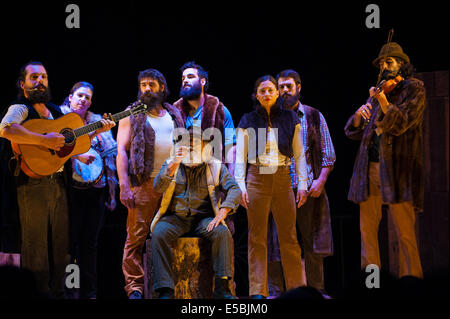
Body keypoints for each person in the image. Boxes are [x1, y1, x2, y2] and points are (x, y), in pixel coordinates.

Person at [0, 61, 114, 298]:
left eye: (43, 77)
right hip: (32, 184)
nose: (40, 81)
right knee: (36, 246)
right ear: (23, 84)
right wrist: (43, 141)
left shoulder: (55, 111)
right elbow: (6, 129)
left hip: (59, 184)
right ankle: (36, 293)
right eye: (34, 77)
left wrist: (97, 131)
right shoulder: (20, 108)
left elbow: (70, 143)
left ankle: (59, 293)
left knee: (61, 244)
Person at [344, 42, 425, 279]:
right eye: (381, 63)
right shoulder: (380, 90)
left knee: (405, 233)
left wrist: (382, 101)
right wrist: (358, 117)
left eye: (388, 62)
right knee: (367, 231)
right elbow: (354, 132)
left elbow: (401, 124)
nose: (384, 66)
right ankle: (371, 285)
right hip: (369, 169)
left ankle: (411, 282)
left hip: (397, 169)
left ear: (401, 64)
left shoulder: (414, 88)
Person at [235, 75, 308, 299]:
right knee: (257, 237)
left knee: (289, 237)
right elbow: (240, 156)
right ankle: (258, 291)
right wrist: (240, 186)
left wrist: (303, 184)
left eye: (270, 90)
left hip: (283, 177)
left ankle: (297, 288)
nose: (267, 94)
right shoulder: (247, 119)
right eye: (262, 91)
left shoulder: (290, 117)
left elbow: (299, 153)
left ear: (277, 93)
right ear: (256, 95)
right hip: (257, 177)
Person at [150, 126, 241, 299]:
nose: (191, 146)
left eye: (196, 142)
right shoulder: (172, 163)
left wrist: (223, 211)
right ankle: (165, 290)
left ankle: (222, 288)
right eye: (187, 142)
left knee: (222, 233)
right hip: (176, 218)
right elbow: (157, 186)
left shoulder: (215, 166)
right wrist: (173, 165)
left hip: (204, 219)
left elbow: (235, 189)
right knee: (159, 233)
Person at [116, 68, 184, 299]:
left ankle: (164, 286)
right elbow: (121, 151)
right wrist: (124, 185)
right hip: (142, 183)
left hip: (172, 184)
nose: (146, 88)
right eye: (143, 84)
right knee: (136, 237)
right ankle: (134, 288)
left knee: (167, 236)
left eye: (151, 84)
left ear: (161, 88)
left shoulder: (174, 113)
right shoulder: (132, 113)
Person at [269, 69, 336, 297]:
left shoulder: (314, 116)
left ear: (299, 87)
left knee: (312, 243)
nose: (284, 90)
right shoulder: (269, 116)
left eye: (289, 86)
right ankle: (277, 291)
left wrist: (321, 181)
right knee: (277, 244)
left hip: (308, 190)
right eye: (281, 87)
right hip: (279, 191)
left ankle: (316, 290)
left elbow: (328, 154)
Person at [60, 81, 118, 299]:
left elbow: (110, 159)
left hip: (95, 190)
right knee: (70, 243)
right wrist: (78, 155)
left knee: (90, 245)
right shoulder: (59, 118)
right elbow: (57, 148)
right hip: (68, 190)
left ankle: (89, 293)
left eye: (88, 98)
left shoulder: (97, 122)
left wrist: (112, 193)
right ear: (71, 97)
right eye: (80, 96)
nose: (84, 100)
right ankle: (69, 290)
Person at [173, 61, 236, 175]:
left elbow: (231, 146)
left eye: (190, 77)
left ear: (203, 81)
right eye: (183, 78)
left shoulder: (220, 110)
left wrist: (233, 179)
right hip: (183, 180)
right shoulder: (174, 112)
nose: (185, 80)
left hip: (212, 176)